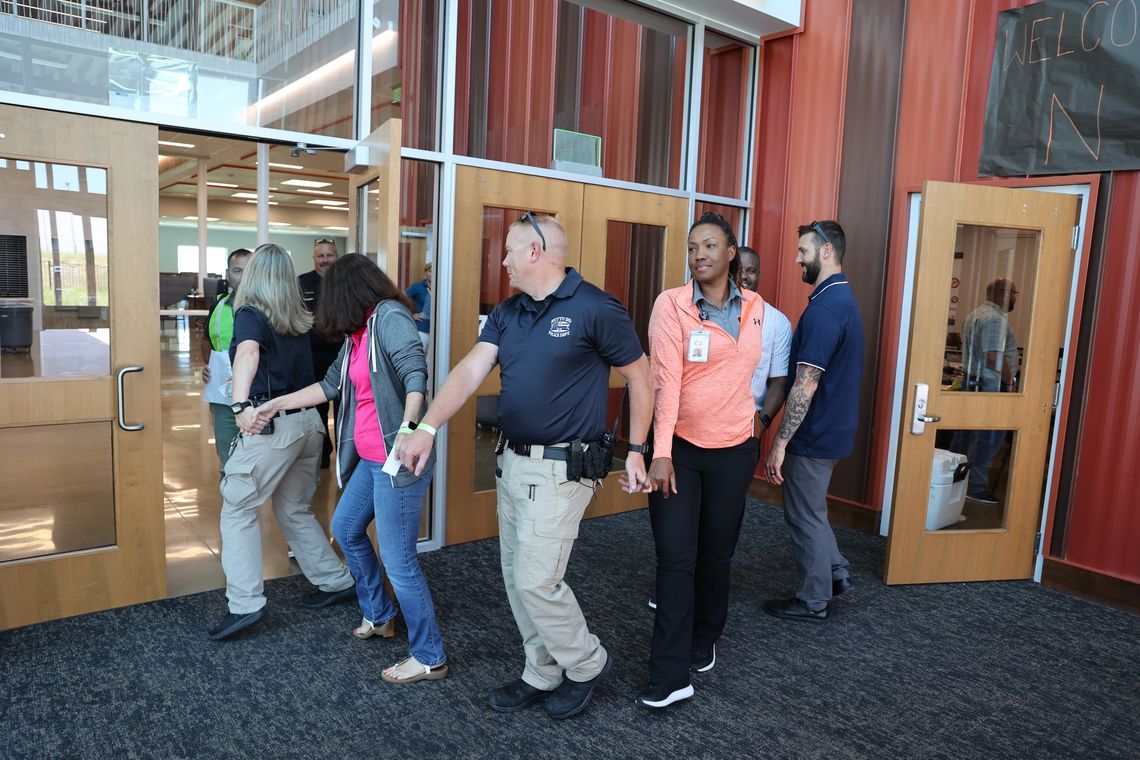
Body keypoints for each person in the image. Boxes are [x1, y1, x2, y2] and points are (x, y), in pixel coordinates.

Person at [399, 212, 653, 719]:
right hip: (511, 464)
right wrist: (426, 427)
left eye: (510, 250)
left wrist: (638, 449)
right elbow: (472, 369)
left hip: (561, 471)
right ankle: (541, 670)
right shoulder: (509, 313)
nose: (504, 260)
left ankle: (586, 662)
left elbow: (642, 378)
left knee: (538, 580)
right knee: (518, 578)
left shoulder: (596, 308)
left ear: (536, 251)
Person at [257, 254, 447, 683]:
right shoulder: (358, 334)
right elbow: (329, 386)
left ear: (345, 294)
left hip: (397, 458)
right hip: (370, 458)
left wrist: (409, 428)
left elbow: (417, 377)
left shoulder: (391, 318)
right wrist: (275, 404)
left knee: (399, 562)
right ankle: (380, 614)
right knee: (345, 529)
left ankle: (430, 655)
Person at [635, 212, 764, 710]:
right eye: (692, 248)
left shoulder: (756, 308)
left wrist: (757, 423)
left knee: (716, 553)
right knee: (675, 557)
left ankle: (705, 634)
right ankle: (668, 675)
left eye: (709, 245)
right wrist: (660, 453)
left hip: (734, 452)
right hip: (678, 452)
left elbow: (759, 373)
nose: (699, 255)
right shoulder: (671, 305)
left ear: (732, 252)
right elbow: (666, 382)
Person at [207, 243, 356, 641]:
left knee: (237, 509)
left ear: (253, 275)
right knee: (292, 508)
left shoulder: (251, 314)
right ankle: (336, 580)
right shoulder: (300, 317)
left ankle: (244, 605)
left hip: (274, 427)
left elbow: (248, 353)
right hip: (310, 426)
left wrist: (240, 404)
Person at [763, 220, 863, 623]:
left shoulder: (824, 310)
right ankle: (835, 572)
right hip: (835, 431)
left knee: (803, 514)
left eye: (803, 251)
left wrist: (779, 442)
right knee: (813, 509)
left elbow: (805, 385)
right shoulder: (843, 300)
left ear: (826, 252)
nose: (796, 259)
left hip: (815, 435)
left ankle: (813, 599)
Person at [955, 276, 1020, 503]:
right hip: (989, 386)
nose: (1015, 298)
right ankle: (975, 488)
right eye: (1014, 294)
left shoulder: (975, 315)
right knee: (988, 438)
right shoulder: (995, 320)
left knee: (965, 438)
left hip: (972, 383)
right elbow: (994, 358)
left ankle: (955, 486)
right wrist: (1010, 381)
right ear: (1002, 293)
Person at [200, 248, 251, 473]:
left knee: (256, 454)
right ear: (228, 274)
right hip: (223, 395)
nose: (243, 276)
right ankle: (233, 502)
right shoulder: (218, 306)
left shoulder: (268, 307)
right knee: (228, 453)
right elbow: (206, 340)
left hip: (256, 395)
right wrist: (208, 365)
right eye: (237, 270)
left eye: (249, 270)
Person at [738, 246, 792, 433]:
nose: (744, 276)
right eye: (738, 269)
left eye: (751, 271)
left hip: (746, 428)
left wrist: (762, 424)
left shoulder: (777, 322)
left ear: (759, 275)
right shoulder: (707, 313)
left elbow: (779, 381)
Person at [299, 237, 342, 468]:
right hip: (313, 358)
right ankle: (322, 456)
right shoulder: (301, 282)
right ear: (314, 258)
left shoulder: (346, 281)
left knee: (345, 410)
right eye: (320, 255)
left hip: (344, 355)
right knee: (317, 410)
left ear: (337, 256)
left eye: (329, 255)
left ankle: (346, 457)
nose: (325, 260)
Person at [405, 262, 432, 349]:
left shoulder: (443, 287)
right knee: (421, 358)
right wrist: (412, 315)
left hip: (439, 330)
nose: (433, 274)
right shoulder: (418, 287)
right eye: (430, 271)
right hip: (423, 329)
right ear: (425, 273)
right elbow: (398, 298)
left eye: (435, 271)